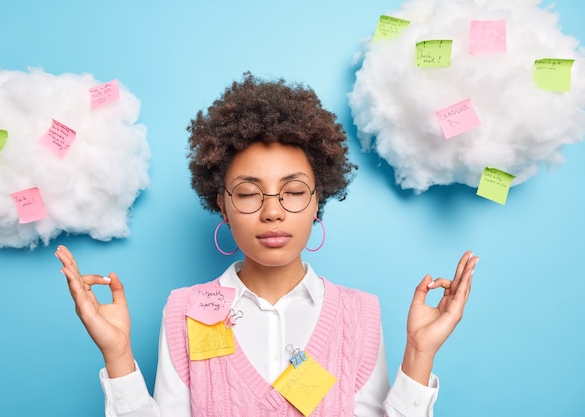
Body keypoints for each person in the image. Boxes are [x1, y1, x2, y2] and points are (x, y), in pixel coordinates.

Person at [56, 72, 478, 417]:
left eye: (293, 191)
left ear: (318, 202)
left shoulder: (358, 314)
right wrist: (118, 353)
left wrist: (420, 353)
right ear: (222, 204)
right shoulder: (184, 309)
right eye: (248, 192)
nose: (272, 212)